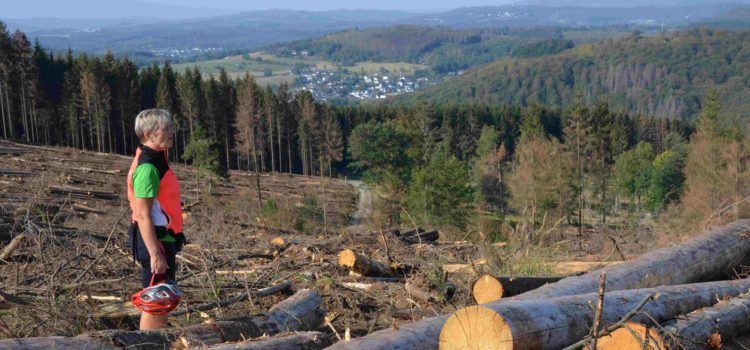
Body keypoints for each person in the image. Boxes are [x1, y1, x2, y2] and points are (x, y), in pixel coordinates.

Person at [126, 109, 185, 330]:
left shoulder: (156, 157)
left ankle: (159, 342)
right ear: (149, 134)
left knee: (163, 299)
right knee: (154, 301)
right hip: (154, 240)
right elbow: (142, 214)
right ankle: (148, 344)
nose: (172, 132)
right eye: (166, 128)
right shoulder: (148, 167)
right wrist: (154, 253)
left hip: (164, 237)